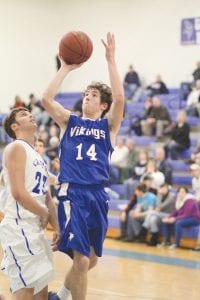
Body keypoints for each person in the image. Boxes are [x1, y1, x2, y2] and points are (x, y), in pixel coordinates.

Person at [42, 33, 124, 300]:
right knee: (81, 261)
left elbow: (120, 99)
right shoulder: (70, 122)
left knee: (91, 259)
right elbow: (46, 99)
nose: (87, 96)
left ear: (103, 105)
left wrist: (111, 60)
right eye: (86, 93)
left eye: (94, 95)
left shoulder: (108, 127)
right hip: (74, 192)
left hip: (98, 195)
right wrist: (65, 68)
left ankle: (61, 297)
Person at [0, 107, 60, 300]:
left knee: (41, 292)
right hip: (19, 227)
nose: (31, 115)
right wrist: (43, 212)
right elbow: (18, 192)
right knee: (25, 292)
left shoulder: (38, 157)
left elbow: (47, 196)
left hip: (35, 229)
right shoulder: (15, 148)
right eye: (24, 115)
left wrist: (56, 226)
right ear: (15, 126)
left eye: (29, 112)